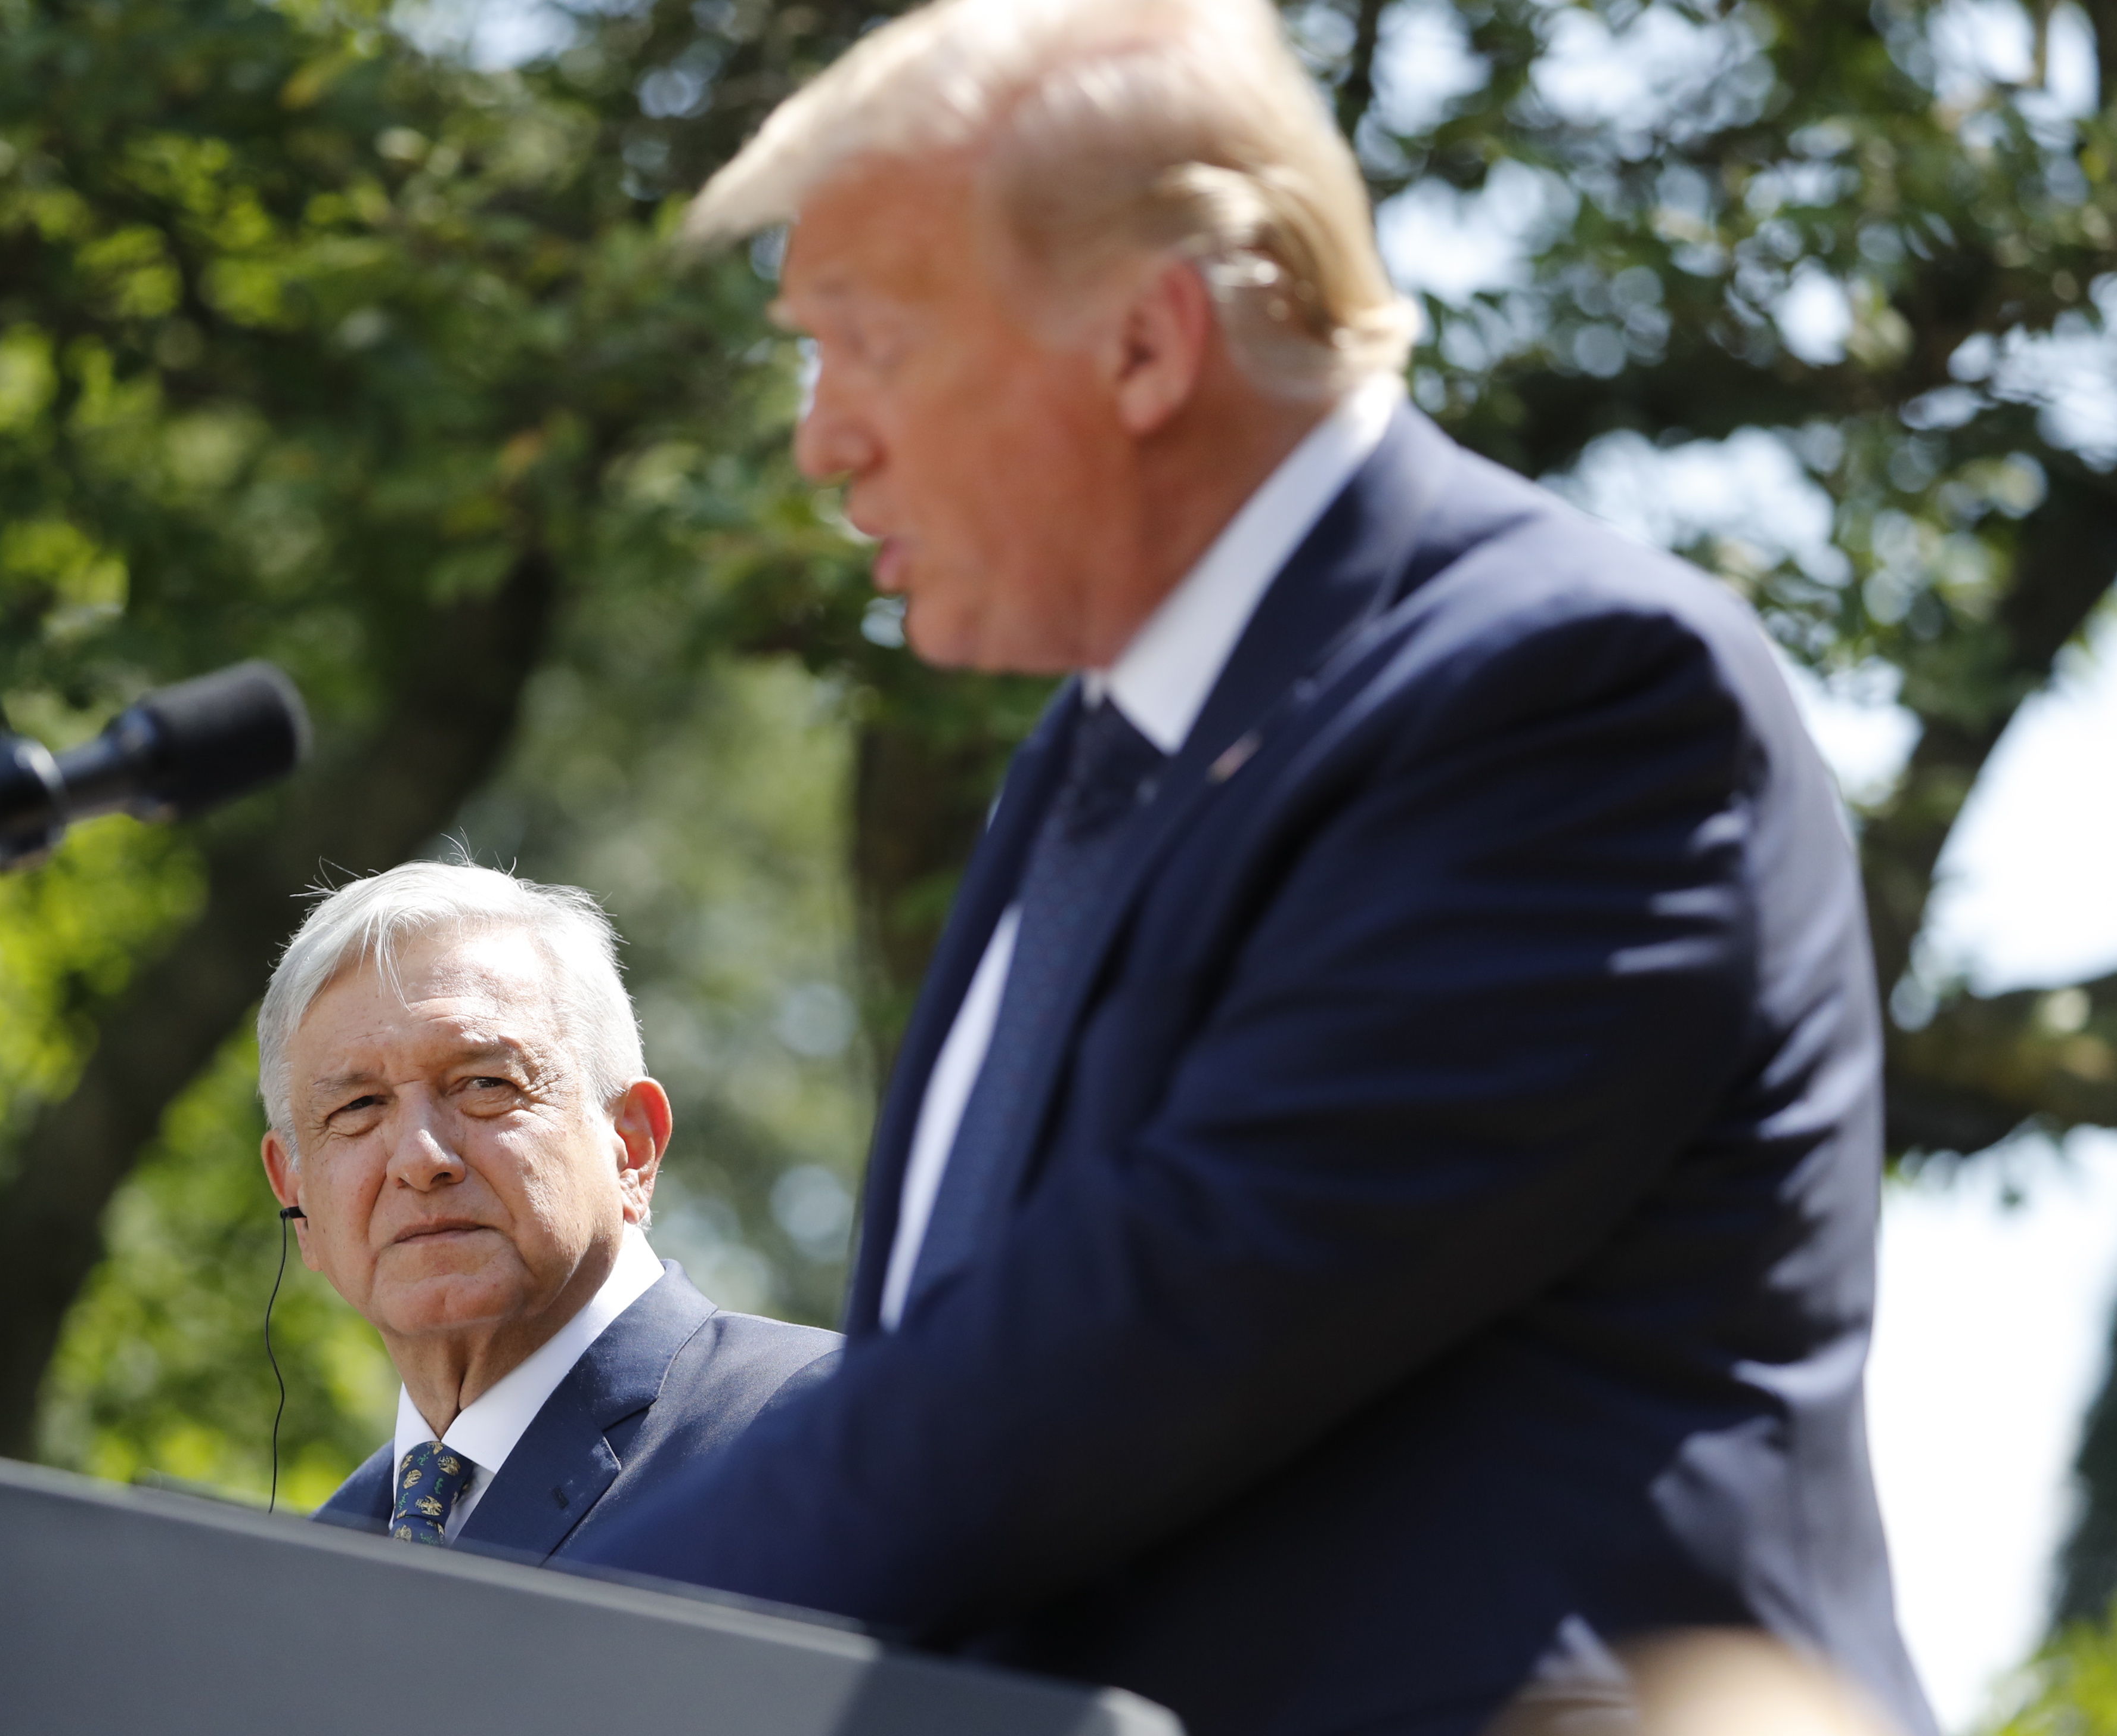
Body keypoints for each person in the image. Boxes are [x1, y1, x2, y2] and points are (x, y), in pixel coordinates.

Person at [569, 1, 1937, 1732]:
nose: (822, 438)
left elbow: (1111, 1359)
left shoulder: (1571, 699)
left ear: (1148, 346)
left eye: (867, 343)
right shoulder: (1090, 761)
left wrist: (490, 1662)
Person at [256, 861, 838, 1561]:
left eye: (483, 1083)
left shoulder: (821, 1432)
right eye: (357, 1107)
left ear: (632, 1143)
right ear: (294, 1194)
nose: (420, 1156)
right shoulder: (319, 1558)